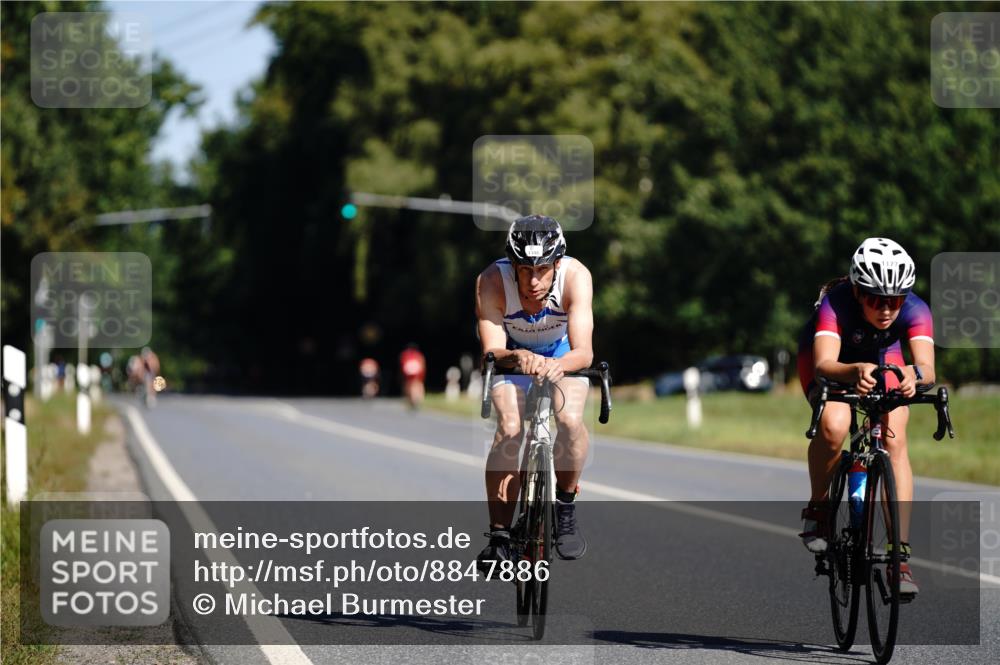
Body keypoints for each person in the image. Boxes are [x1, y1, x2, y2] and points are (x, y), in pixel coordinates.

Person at [797, 237, 935, 597]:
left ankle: (899, 557)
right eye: (876, 299)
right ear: (858, 292)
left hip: (880, 356)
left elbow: (927, 368)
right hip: (834, 361)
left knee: (894, 438)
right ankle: (820, 510)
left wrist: (913, 375)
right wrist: (854, 369)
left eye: (895, 300)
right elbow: (825, 364)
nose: (886, 309)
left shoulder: (916, 309)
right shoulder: (836, 303)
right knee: (835, 424)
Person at [474, 214, 594, 573]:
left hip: (563, 357)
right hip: (512, 358)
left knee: (570, 420)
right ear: (512, 265)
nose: (533, 280)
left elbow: (584, 352)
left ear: (558, 263)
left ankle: (566, 508)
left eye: (542, 269)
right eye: (524, 269)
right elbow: (491, 351)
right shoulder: (491, 281)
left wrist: (560, 366)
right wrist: (517, 355)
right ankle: (499, 536)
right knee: (510, 429)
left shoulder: (576, 277)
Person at [399, 344, 426, 409]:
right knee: (417, 384)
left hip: (408, 372)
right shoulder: (419, 355)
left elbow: (402, 365)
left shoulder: (405, 354)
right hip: (417, 372)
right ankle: (417, 398)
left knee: (409, 384)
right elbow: (422, 365)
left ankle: (412, 398)